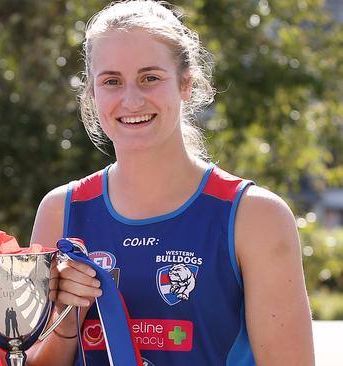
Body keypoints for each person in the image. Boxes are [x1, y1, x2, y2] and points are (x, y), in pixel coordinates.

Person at [27, 1, 314, 365]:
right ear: (92, 93)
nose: (131, 99)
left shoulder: (255, 216)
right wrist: (66, 320)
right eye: (112, 81)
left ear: (186, 85)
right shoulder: (61, 211)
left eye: (150, 77)